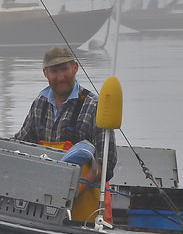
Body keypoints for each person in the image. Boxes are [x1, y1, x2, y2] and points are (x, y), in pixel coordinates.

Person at [16, 46, 116, 181]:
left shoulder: (94, 106)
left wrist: (75, 189)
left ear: (75, 67)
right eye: (54, 71)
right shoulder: (40, 103)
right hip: (43, 189)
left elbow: (106, 164)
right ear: (45, 73)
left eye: (64, 69)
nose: (61, 77)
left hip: (83, 197)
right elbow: (20, 144)